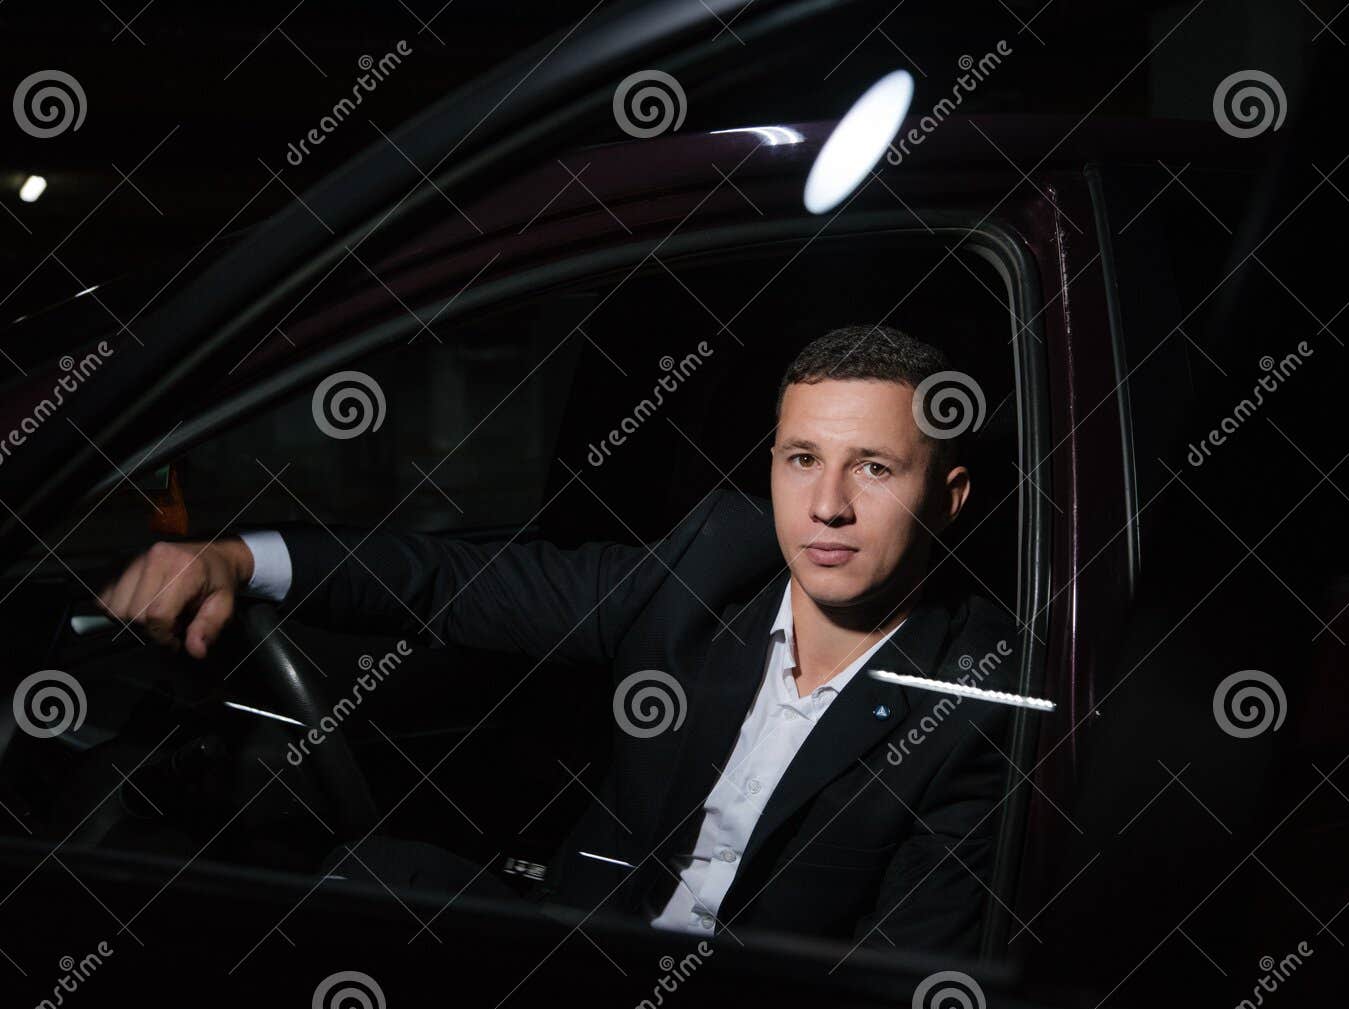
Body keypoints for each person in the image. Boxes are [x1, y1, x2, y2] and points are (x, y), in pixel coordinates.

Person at [96, 324, 1023, 955]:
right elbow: (463, 585)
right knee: (332, 895)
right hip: (575, 957)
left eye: (873, 466)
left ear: (948, 497)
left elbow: (893, 996)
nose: (826, 504)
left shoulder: (973, 695)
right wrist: (237, 560)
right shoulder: (712, 570)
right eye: (801, 460)